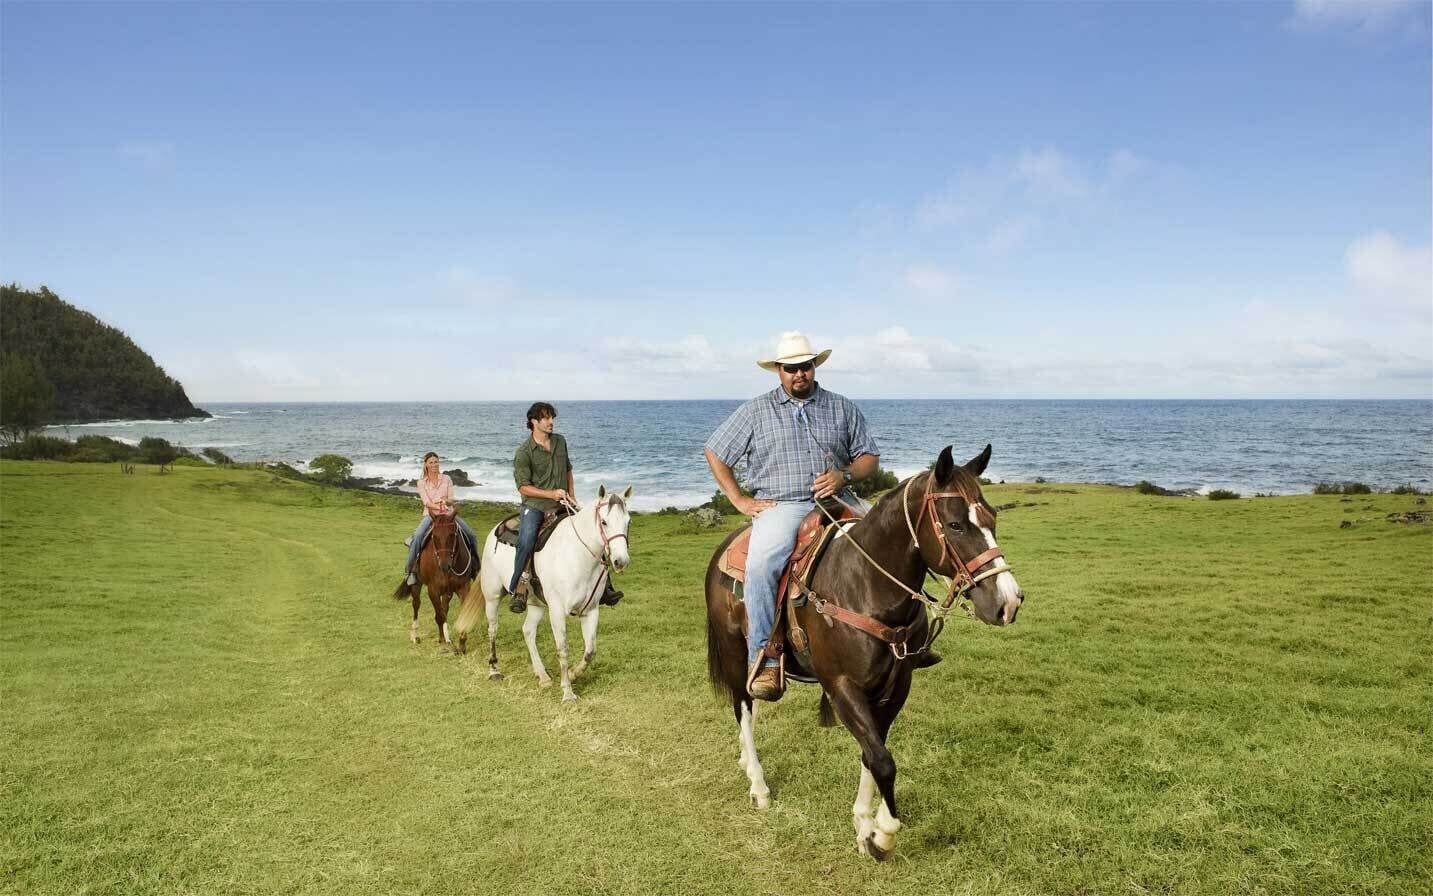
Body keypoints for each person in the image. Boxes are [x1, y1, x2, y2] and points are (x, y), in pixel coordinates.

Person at [704, 331, 880, 701]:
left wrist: (843, 475)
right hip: (782, 506)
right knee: (762, 565)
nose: (799, 374)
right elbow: (716, 452)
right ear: (778, 371)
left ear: (815, 367)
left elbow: (869, 458)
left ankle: (908, 635)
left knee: (887, 540)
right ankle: (764, 658)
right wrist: (738, 499)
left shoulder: (842, 407)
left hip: (838, 498)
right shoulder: (755, 410)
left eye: (805, 366)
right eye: (790, 368)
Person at [506, 402, 623, 613]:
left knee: (596, 531)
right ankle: (519, 588)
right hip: (535, 506)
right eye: (546, 418)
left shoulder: (560, 442)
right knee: (527, 538)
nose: (551, 422)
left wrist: (572, 494)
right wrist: (550, 493)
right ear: (534, 422)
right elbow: (523, 487)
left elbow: (568, 469)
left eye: (552, 417)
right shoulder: (524, 452)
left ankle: (605, 587)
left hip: (563, 503)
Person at [404, 452, 478, 584]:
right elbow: (426, 502)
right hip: (431, 515)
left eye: (436, 462)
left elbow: (451, 499)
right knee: (418, 537)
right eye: (431, 462)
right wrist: (440, 504)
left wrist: (447, 502)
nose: (434, 464)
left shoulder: (447, 479)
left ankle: (475, 567)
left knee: (471, 535)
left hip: (448, 514)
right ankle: (410, 572)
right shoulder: (421, 483)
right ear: (426, 465)